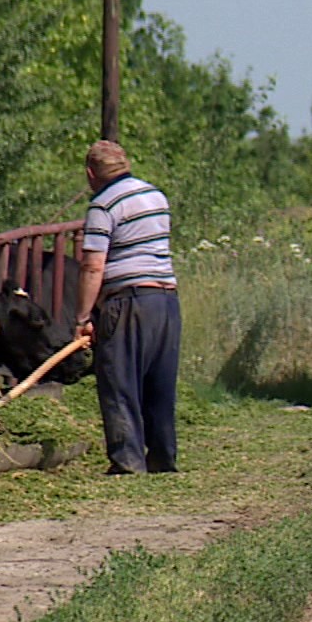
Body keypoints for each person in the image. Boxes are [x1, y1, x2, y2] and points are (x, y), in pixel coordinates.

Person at [75, 139, 180, 474]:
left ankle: (128, 460)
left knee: (119, 380)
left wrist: (83, 316)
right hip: (165, 300)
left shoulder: (102, 206)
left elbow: (93, 266)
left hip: (129, 302)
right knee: (159, 383)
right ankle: (163, 456)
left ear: (92, 173)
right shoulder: (156, 196)